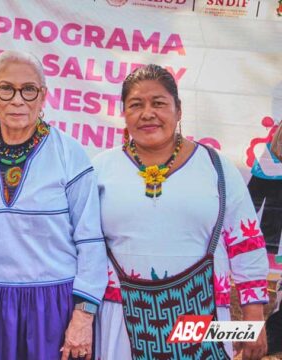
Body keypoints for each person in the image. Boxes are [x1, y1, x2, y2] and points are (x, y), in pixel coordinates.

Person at [94, 64, 269, 360]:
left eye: (159, 103)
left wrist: (253, 319)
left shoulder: (217, 168)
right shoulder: (100, 169)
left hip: (202, 321)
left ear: (179, 110)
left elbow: (245, 243)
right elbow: (85, 247)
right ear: (123, 113)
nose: (148, 113)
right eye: (136, 105)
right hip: (121, 318)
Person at [0, 50, 107, 360]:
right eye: (6, 88)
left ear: (43, 95)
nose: (17, 100)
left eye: (29, 89)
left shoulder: (69, 154)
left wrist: (83, 315)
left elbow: (90, 241)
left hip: (52, 305)